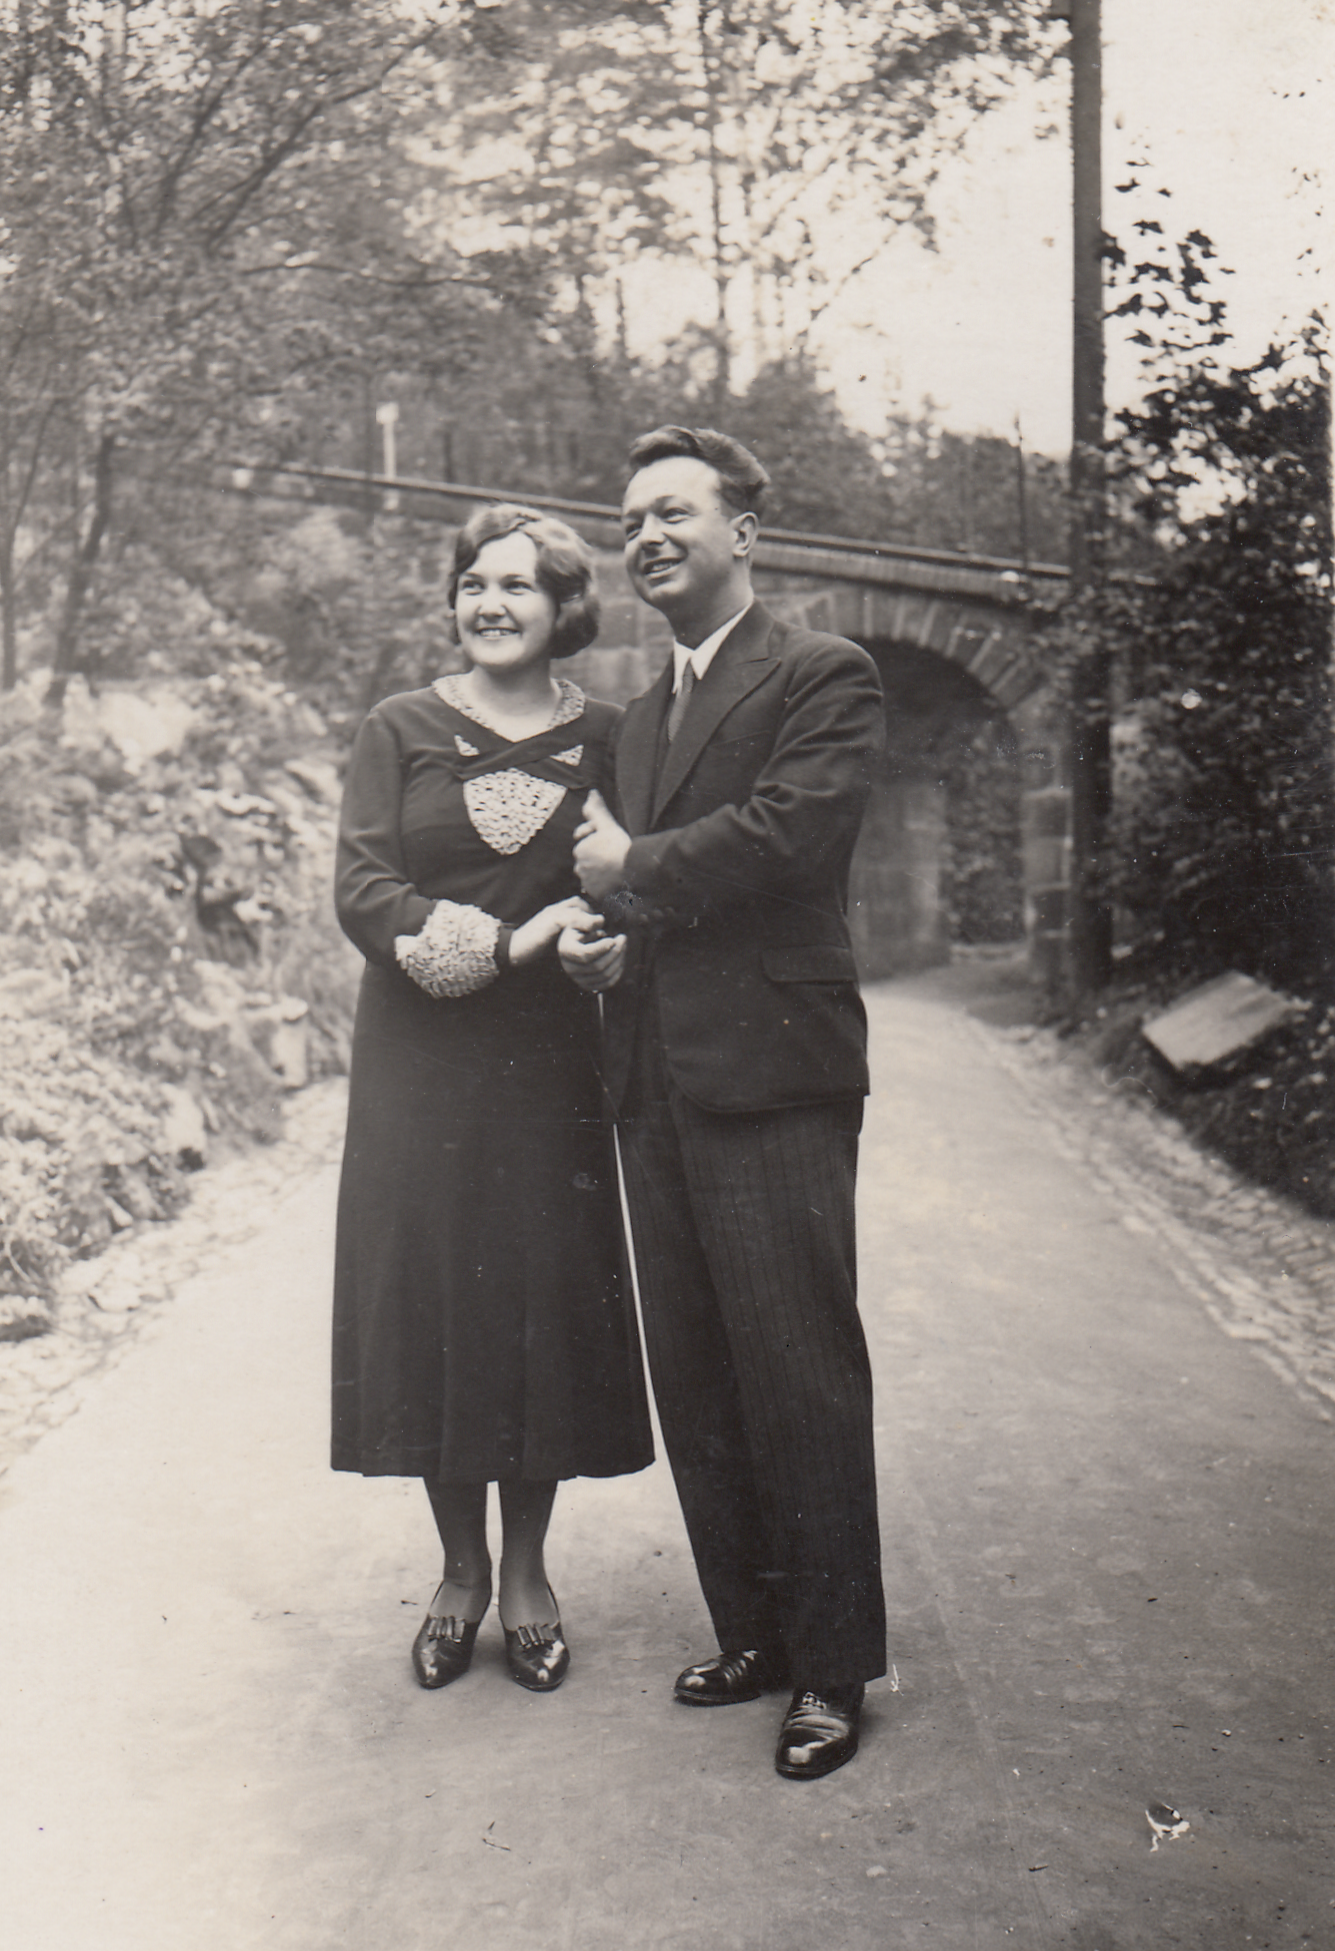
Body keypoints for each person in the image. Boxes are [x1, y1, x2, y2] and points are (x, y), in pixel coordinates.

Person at [562, 426, 887, 1780]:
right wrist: (609, 942)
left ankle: (832, 1666)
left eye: (672, 512)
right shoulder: (641, 717)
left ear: (743, 532)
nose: (645, 536)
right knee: (696, 1371)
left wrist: (631, 868)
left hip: (774, 1072)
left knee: (796, 1366)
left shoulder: (822, 671)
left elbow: (790, 835)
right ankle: (753, 1630)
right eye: (629, 519)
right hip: (655, 1074)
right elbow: (645, 894)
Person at [332, 502, 651, 1695]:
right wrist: (511, 943)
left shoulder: (614, 735)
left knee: (534, 1302)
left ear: (566, 607)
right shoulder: (399, 726)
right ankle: (458, 1571)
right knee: (434, 1296)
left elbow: (633, 883)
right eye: (474, 582)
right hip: (418, 1064)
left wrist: (609, 950)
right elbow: (365, 887)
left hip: (548, 1068)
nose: (492, 603)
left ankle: (526, 1572)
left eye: (518, 584)